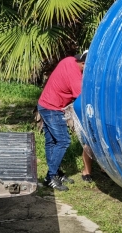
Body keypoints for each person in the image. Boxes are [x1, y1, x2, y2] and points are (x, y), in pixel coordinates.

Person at [38, 50, 88, 191]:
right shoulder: (75, 76)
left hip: (44, 103)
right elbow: (80, 96)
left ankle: (56, 173)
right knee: (63, 141)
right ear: (83, 63)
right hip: (52, 108)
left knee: (52, 141)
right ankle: (50, 177)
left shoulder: (69, 60)